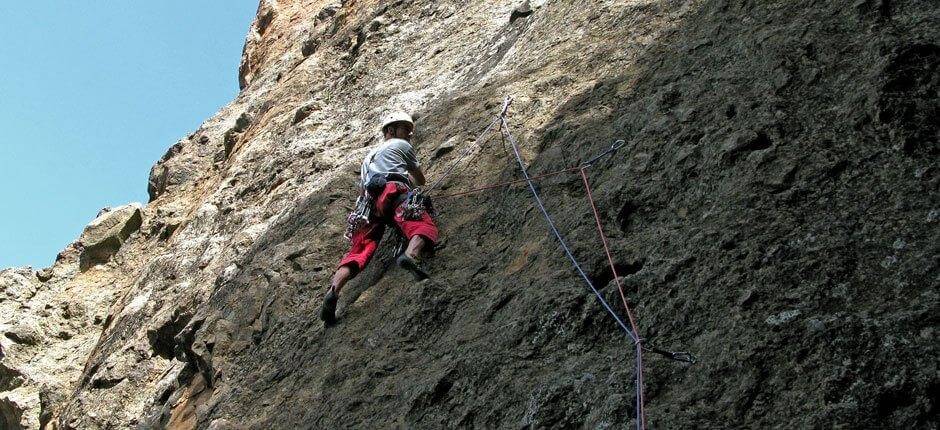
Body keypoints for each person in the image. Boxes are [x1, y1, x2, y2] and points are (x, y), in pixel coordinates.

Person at [320, 111, 439, 325]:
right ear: (390, 131)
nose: (410, 134)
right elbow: (420, 179)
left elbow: (361, 191)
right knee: (420, 223)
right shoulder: (401, 146)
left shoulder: (368, 159)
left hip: (368, 205)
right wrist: (408, 181)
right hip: (393, 191)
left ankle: (333, 291)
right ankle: (410, 256)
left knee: (359, 250)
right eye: (405, 129)